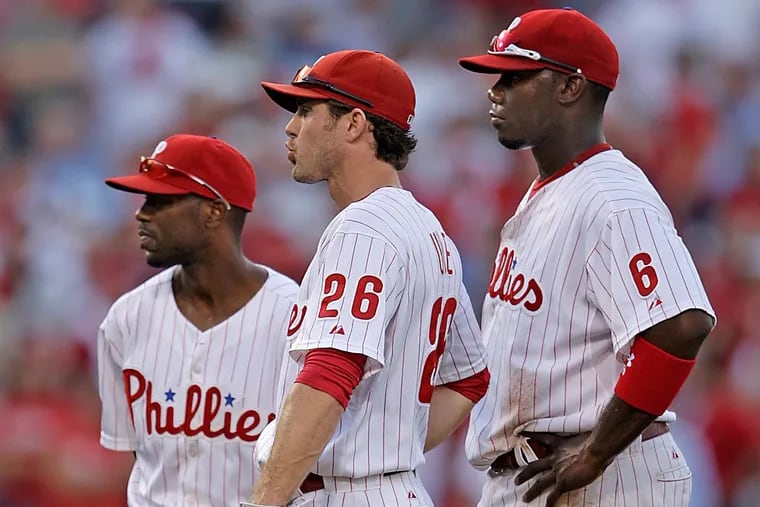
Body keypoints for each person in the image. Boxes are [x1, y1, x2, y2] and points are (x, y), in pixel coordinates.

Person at [457, 8, 716, 507]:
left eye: (515, 77)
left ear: (570, 87)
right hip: (536, 475)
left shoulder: (611, 196)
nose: (495, 90)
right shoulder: (552, 190)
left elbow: (682, 325)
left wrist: (597, 452)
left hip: (606, 478)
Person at [244, 50, 491, 507]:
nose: (291, 127)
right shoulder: (431, 232)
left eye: (306, 110)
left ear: (355, 124)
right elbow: (468, 379)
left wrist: (264, 502)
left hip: (346, 494)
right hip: (396, 490)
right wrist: (391, 448)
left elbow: (329, 373)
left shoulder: (364, 228)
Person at [97, 134, 299, 506]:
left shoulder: (295, 318)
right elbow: (138, 457)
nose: (141, 213)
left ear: (213, 212)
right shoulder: (125, 318)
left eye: (159, 201)